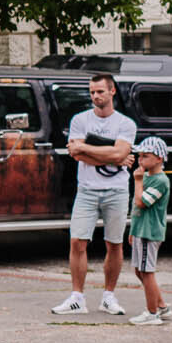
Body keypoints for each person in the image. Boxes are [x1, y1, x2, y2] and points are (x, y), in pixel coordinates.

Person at [53, 71, 136, 316]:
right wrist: (113, 157)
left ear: (112, 91)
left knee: (114, 243)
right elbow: (76, 154)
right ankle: (77, 297)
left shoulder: (125, 123)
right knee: (77, 241)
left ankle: (109, 296)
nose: (95, 96)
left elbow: (120, 153)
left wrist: (87, 148)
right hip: (87, 189)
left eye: (100, 91)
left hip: (117, 190)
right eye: (91, 92)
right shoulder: (80, 120)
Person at [126, 138, 172, 326]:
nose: (140, 160)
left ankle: (152, 313)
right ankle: (161, 306)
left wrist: (138, 181)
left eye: (145, 156)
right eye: (139, 156)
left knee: (147, 272)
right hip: (140, 230)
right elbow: (135, 209)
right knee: (140, 271)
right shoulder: (146, 177)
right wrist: (133, 230)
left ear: (159, 158)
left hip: (149, 232)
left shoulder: (161, 181)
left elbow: (141, 202)